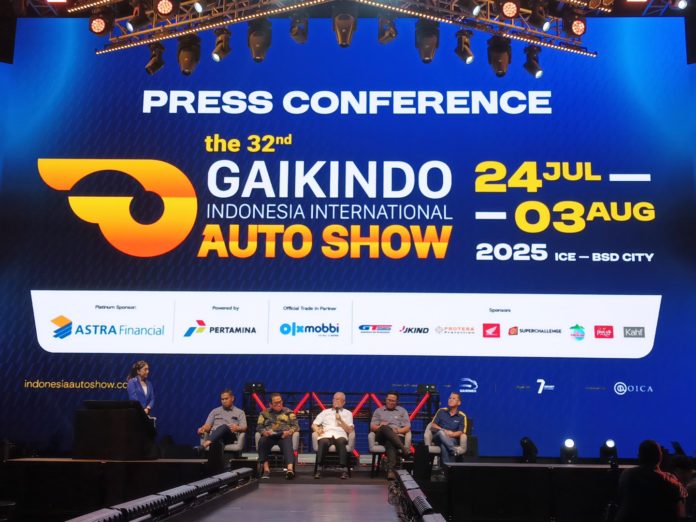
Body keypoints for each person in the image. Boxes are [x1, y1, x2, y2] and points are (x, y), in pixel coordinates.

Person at [616, 439, 687, 522]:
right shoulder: (671, 481)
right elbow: (681, 512)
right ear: (660, 456)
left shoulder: (627, 475)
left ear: (639, 456)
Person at [256, 393, 299, 480]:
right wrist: (264, 432)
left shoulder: (289, 412)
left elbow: (296, 426)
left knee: (287, 442)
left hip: (283, 435)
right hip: (270, 436)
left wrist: (289, 432)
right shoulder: (264, 413)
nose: (279, 404)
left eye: (280, 402)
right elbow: (259, 427)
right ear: (270, 404)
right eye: (276, 403)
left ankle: (290, 470)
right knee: (262, 441)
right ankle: (266, 470)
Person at [312, 391, 354, 480]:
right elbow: (314, 424)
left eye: (338, 399)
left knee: (341, 442)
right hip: (326, 434)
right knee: (323, 442)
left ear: (343, 402)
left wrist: (341, 421)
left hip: (340, 434)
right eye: (334, 399)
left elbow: (350, 430)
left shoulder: (348, 413)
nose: (335, 401)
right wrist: (317, 430)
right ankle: (319, 468)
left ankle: (343, 469)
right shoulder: (325, 412)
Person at [370, 391, 411, 480]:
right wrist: (380, 426)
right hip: (381, 436)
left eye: (393, 401)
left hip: (397, 436)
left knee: (390, 442)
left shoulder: (402, 411)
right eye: (389, 400)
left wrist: (397, 430)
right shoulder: (378, 411)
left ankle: (391, 471)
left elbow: (407, 427)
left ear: (397, 402)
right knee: (385, 427)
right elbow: (372, 427)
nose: (391, 402)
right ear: (385, 400)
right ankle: (403, 449)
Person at [430, 391, 467, 465]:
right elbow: (433, 425)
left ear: (459, 403)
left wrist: (451, 434)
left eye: (453, 398)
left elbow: (461, 432)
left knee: (444, 445)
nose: (450, 400)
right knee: (441, 432)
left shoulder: (462, 416)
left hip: (452, 439)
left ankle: (446, 468)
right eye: (450, 398)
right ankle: (454, 451)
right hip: (438, 437)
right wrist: (444, 431)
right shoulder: (441, 411)